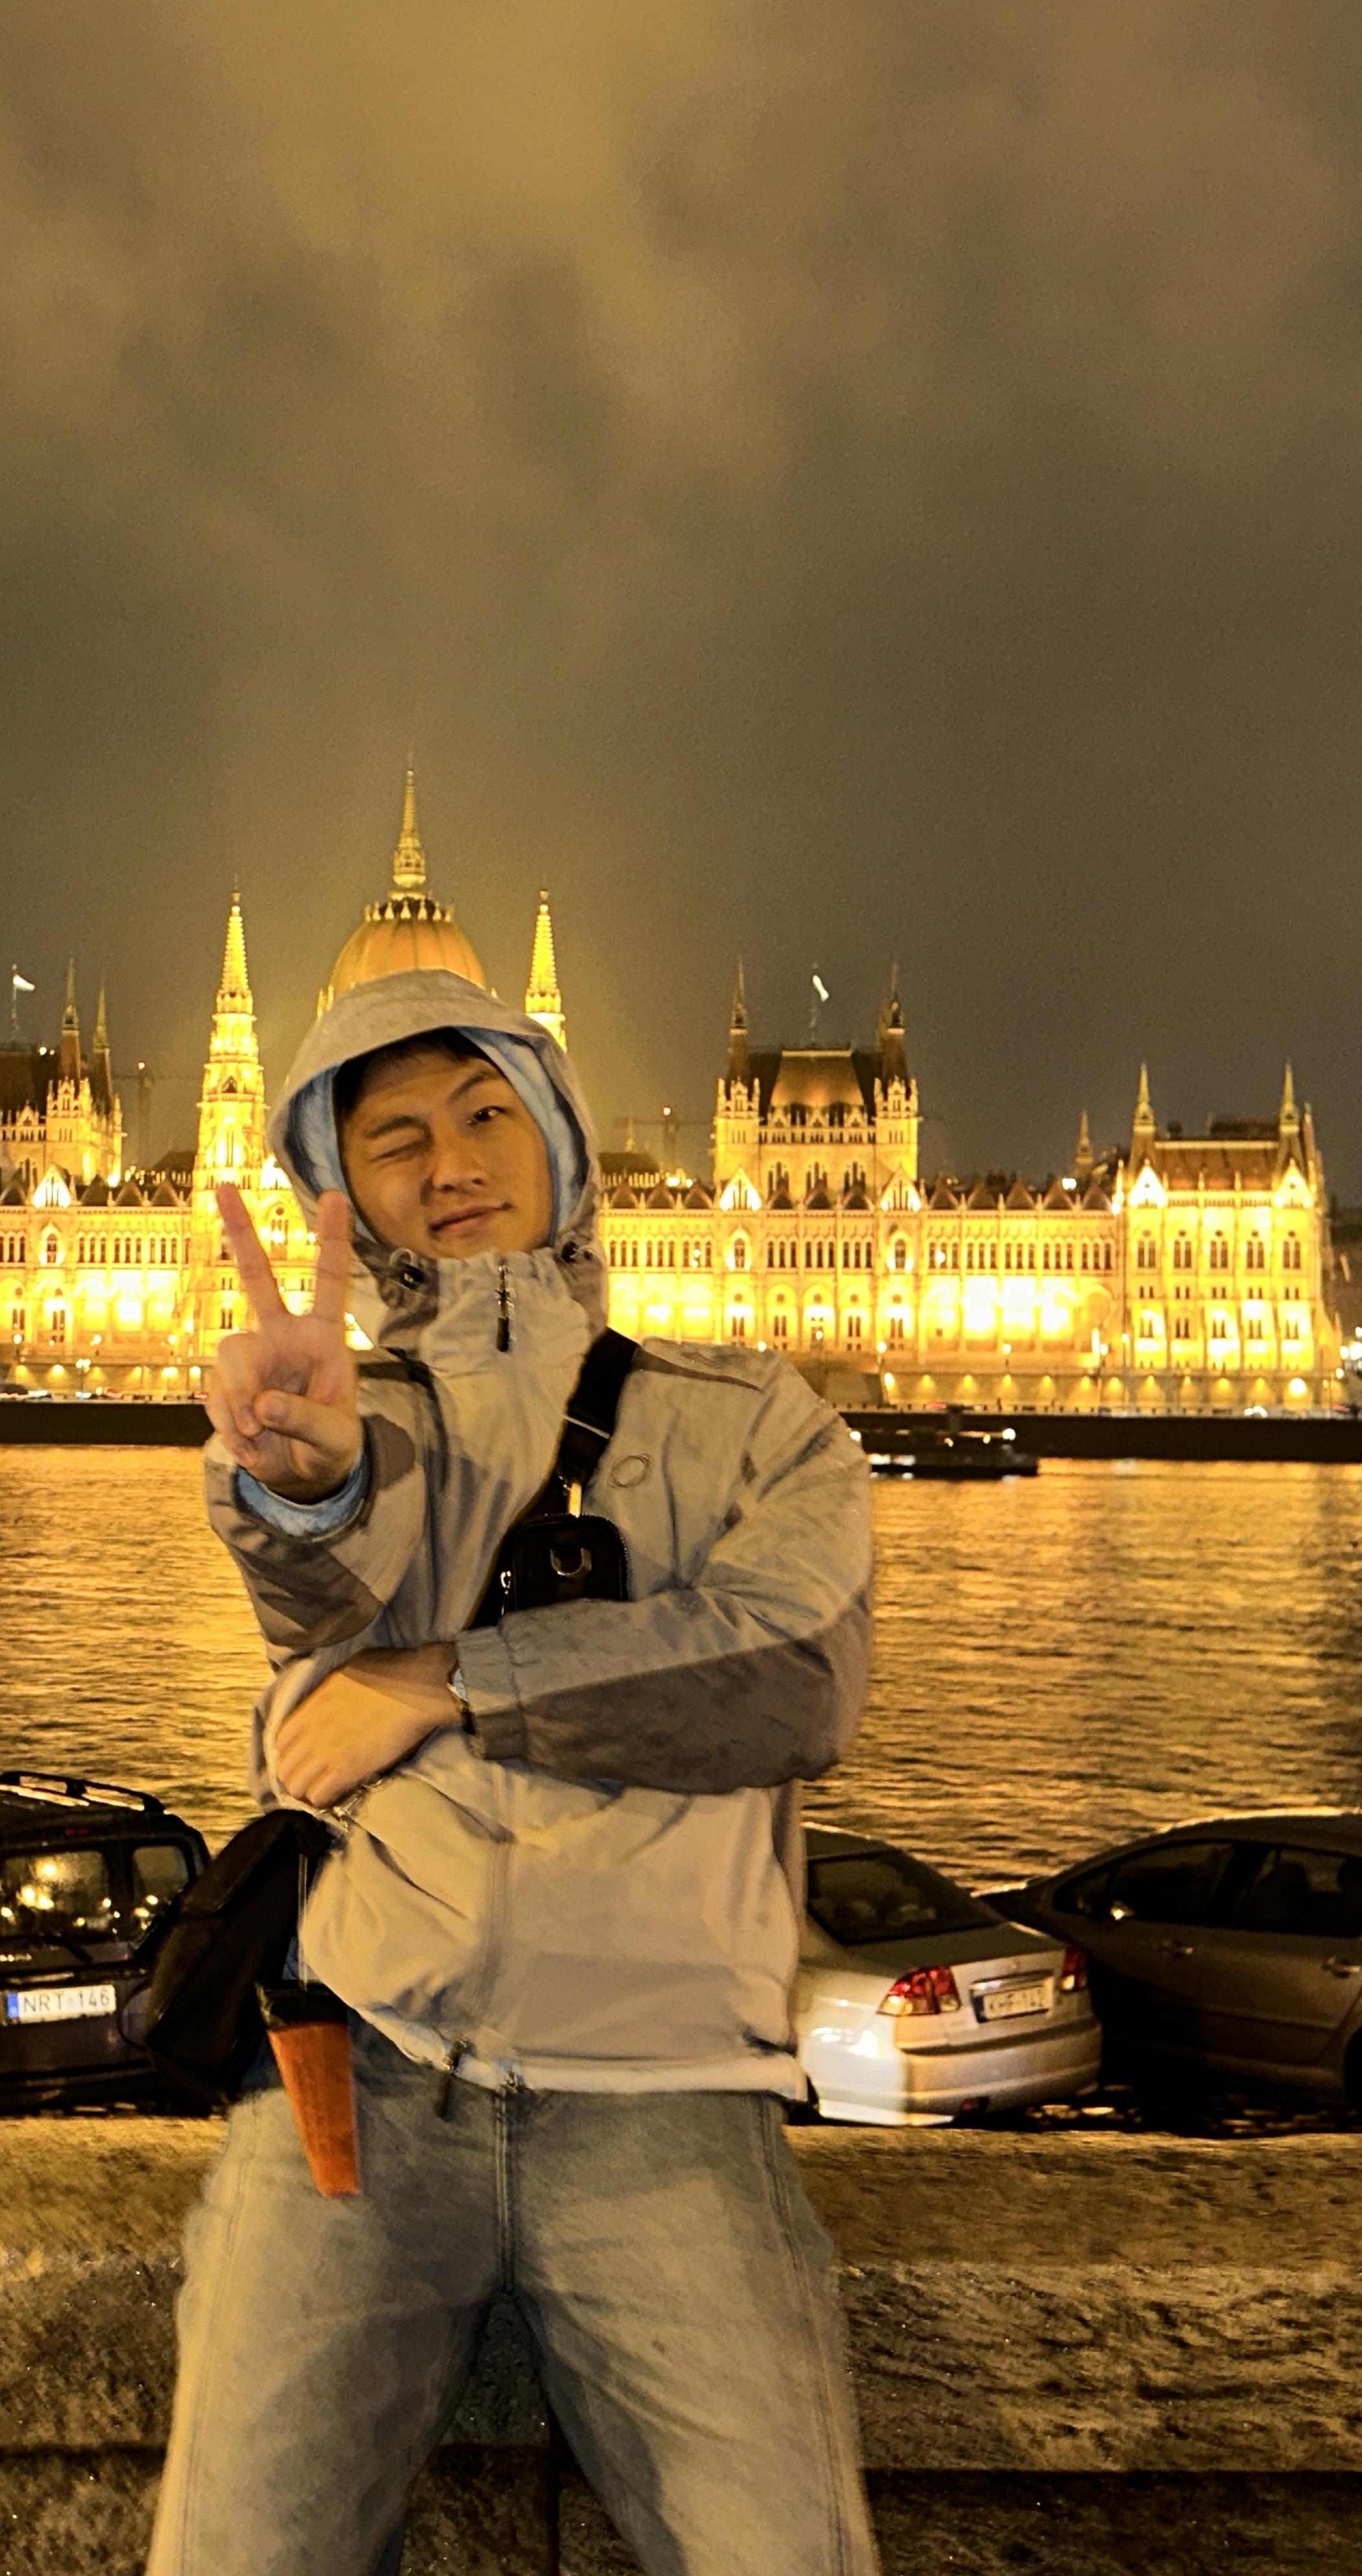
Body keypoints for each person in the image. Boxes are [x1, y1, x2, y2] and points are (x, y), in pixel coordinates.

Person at [147, 967, 878, 2576]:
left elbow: (789, 1678)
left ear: (560, 1134)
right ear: (344, 1196)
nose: (452, 1159)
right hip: (363, 2080)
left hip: (668, 2103)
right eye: (395, 1137)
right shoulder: (363, 1426)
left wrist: (448, 1684)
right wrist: (293, 1482)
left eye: (486, 1111)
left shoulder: (752, 1416)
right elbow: (318, 1608)